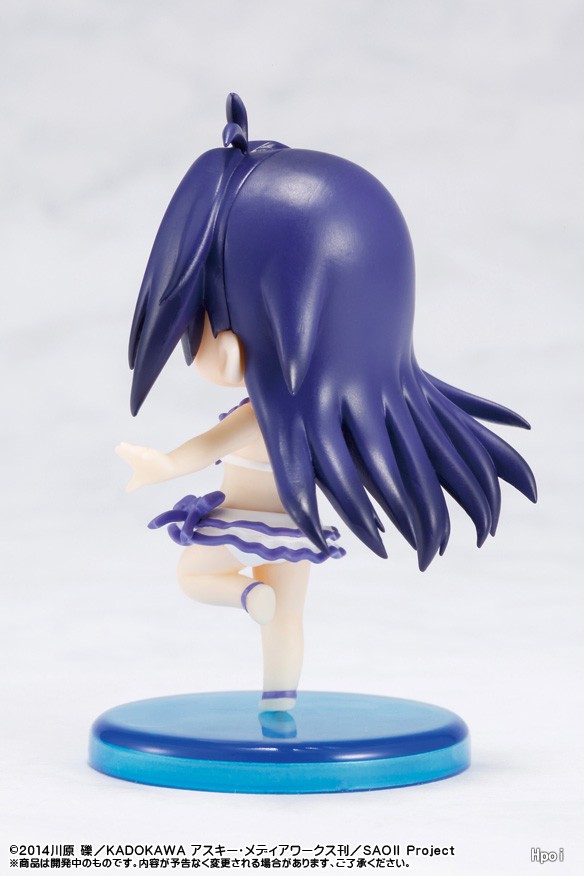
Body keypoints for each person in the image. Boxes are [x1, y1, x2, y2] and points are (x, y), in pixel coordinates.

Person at [117, 94, 536, 711]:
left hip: (243, 514)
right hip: (292, 527)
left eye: (198, 319)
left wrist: (161, 465)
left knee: (195, 575)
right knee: (288, 616)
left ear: (232, 340)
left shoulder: (261, 418)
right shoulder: (319, 423)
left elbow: (203, 450)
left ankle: (244, 598)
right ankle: (279, 704)